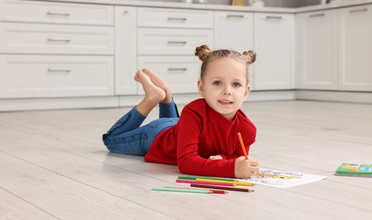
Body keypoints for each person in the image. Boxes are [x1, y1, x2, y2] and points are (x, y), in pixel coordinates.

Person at [103, 45, 258, 178]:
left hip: (179, 126)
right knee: (111, 140)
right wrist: (230, 168)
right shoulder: (193, 112)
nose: (227, 91)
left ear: (246, 91)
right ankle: (152, 98)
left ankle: (166, 95)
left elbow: (236, 157)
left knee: (178, 128)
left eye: (236, 84)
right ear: (201, 87)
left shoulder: (248, 130)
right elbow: (186, 163)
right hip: (156, 136)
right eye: (217, 83)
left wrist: (224, 158)